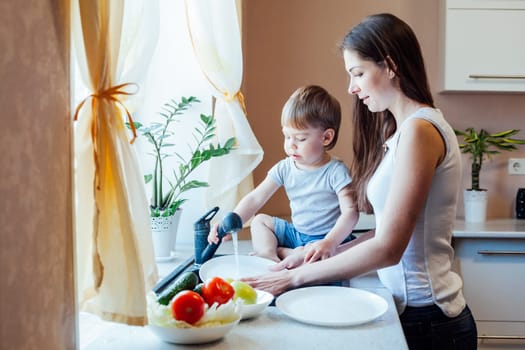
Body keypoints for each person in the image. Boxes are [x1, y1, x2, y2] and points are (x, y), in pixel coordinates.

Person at [242, 13, 478, 349]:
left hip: (431, 320)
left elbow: (389, 248)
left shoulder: (420, 131)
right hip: (415, 313)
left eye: (358, 73)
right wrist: (315, 252)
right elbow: (383, 231)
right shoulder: (402, 132)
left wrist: (292, 277)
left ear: (390, 66)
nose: (352, 88)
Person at [209, 85, 359, 263]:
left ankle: (289, 254)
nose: (291, 145)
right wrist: (231, 221)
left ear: (326, 138)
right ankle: (270, 256)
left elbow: (350, 212)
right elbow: (255, 199)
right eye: (287, 136)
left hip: (325, 239)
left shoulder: (335, 172)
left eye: (301, 138)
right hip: (296, 234)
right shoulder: (285, 168)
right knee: (260, 222)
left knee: (329, 259)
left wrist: (330, 242)